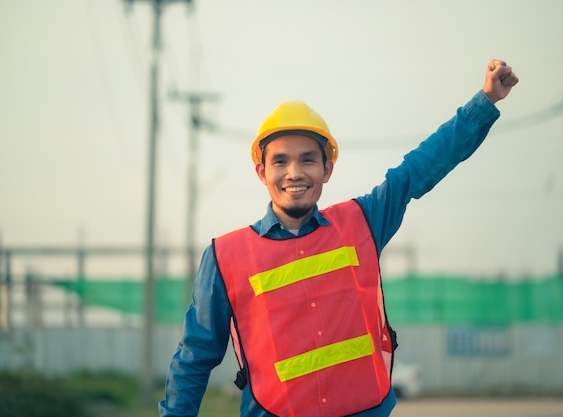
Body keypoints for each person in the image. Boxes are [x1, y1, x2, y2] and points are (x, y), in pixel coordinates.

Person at [159, 59, 519, 417]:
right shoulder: (226, 256)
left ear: (327, 168)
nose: (294, 173)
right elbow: (195, 357)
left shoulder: (362, 221)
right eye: (280, 161)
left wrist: (484, 102)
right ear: (261, 172)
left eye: (308, 160)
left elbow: (419, 168)